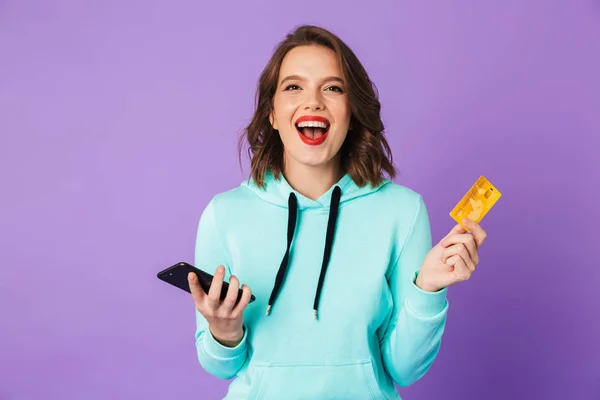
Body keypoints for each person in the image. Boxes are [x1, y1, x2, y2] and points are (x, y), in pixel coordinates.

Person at [187, 25, 487, 400]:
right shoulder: (224, 214)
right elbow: (220, 366)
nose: (313, 102)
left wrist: (429, 289)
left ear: (352, 111)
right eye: (293, 87)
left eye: (333, 88)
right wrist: (223, 331)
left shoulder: (403, 211)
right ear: (273, 114)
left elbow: (405, 370)